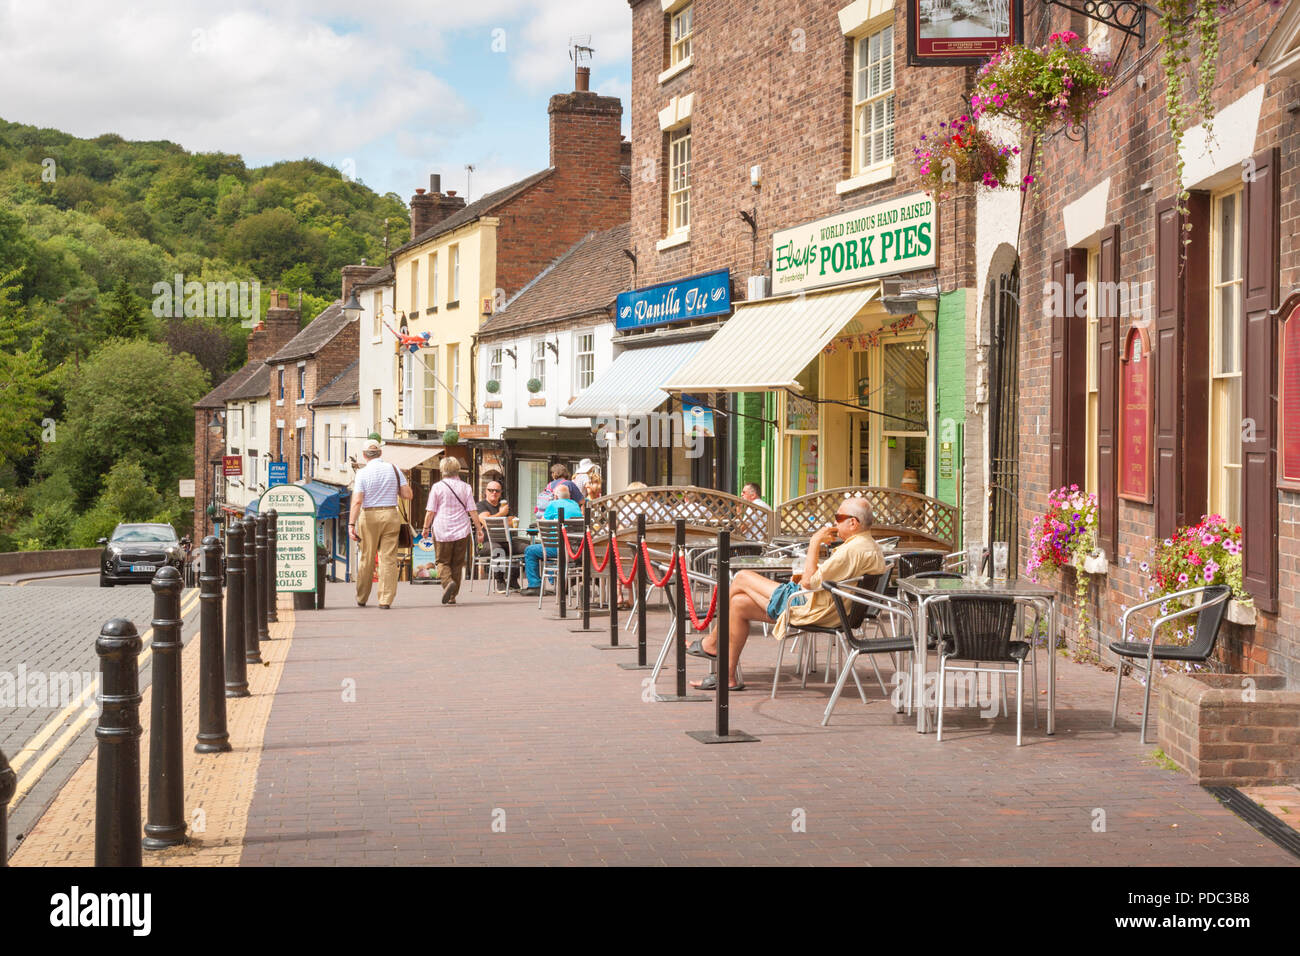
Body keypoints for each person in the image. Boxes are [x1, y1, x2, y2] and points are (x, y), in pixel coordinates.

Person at [685, 497, 886, 691]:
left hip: (813, 608)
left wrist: (815, 542)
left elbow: (808, 582)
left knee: (741, 577)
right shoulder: (870, 546)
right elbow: (825, 578)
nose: (834, 522)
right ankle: (727, 677)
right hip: (833, 610)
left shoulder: (851, 550)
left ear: (853, 522)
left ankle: (711, 643)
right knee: (738, 604)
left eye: (838, 518)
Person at [349, 439, 413, 609]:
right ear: (381, 453)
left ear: (364, 455)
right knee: (388, 558)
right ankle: (385, 599)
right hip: (390, 514)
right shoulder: (394, 469)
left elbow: (357, 501)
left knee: (366, 557)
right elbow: (408, 495)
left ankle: (362, 597)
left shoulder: (362, 473)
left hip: (368, 515)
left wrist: (351, 524)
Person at [422, 456, 485, 605]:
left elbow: (430, 511)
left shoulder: (437, 487)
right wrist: (479, 529)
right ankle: (452, 596)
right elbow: (472, 510)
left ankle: (448, 582)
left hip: (442, 529)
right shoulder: (466, 487)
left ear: (442, 470)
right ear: (457, 469)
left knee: (442, 562)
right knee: (457, 563)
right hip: (462, 530)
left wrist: (425, 528)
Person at [519, 484, 583, 596]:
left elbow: (542, 523)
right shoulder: (575, 505)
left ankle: (535, 586)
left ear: (556, 496)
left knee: (530, 550)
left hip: (558, 549)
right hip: (574, 549)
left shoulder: (553, 504)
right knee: (548, 546)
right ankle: (559, 583)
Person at [476, 477, 526, 588]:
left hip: (506, 540)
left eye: (497, 491)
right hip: (484, 543)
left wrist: (496, 519)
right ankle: (500, 581)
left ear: (500, 493)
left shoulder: (504, 506)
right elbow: (486, 522)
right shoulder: (480, 505)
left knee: (528, 549)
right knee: (498, 549)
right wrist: (502, 514)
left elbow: (513, 521)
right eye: (491, 490)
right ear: (486, 491)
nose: (494, 492)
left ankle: (513, 579)